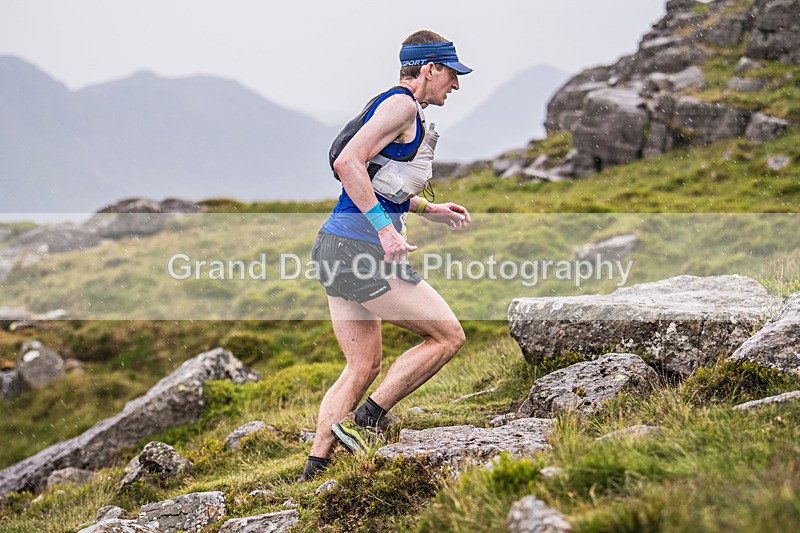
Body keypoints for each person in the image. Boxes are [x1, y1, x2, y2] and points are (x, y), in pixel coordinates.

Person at [300, 30, 473, 482]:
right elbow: (348, 164)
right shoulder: (402, 106)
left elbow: (377, 179)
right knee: (447, 336)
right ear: (430, 68)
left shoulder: (391, 104)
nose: (456, 85)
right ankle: (368, 420)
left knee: (362, 366)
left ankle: (315, 469)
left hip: (334, 247)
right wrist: (384, 230)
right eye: (452, 74)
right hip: (361, 250)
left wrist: (427, 208)